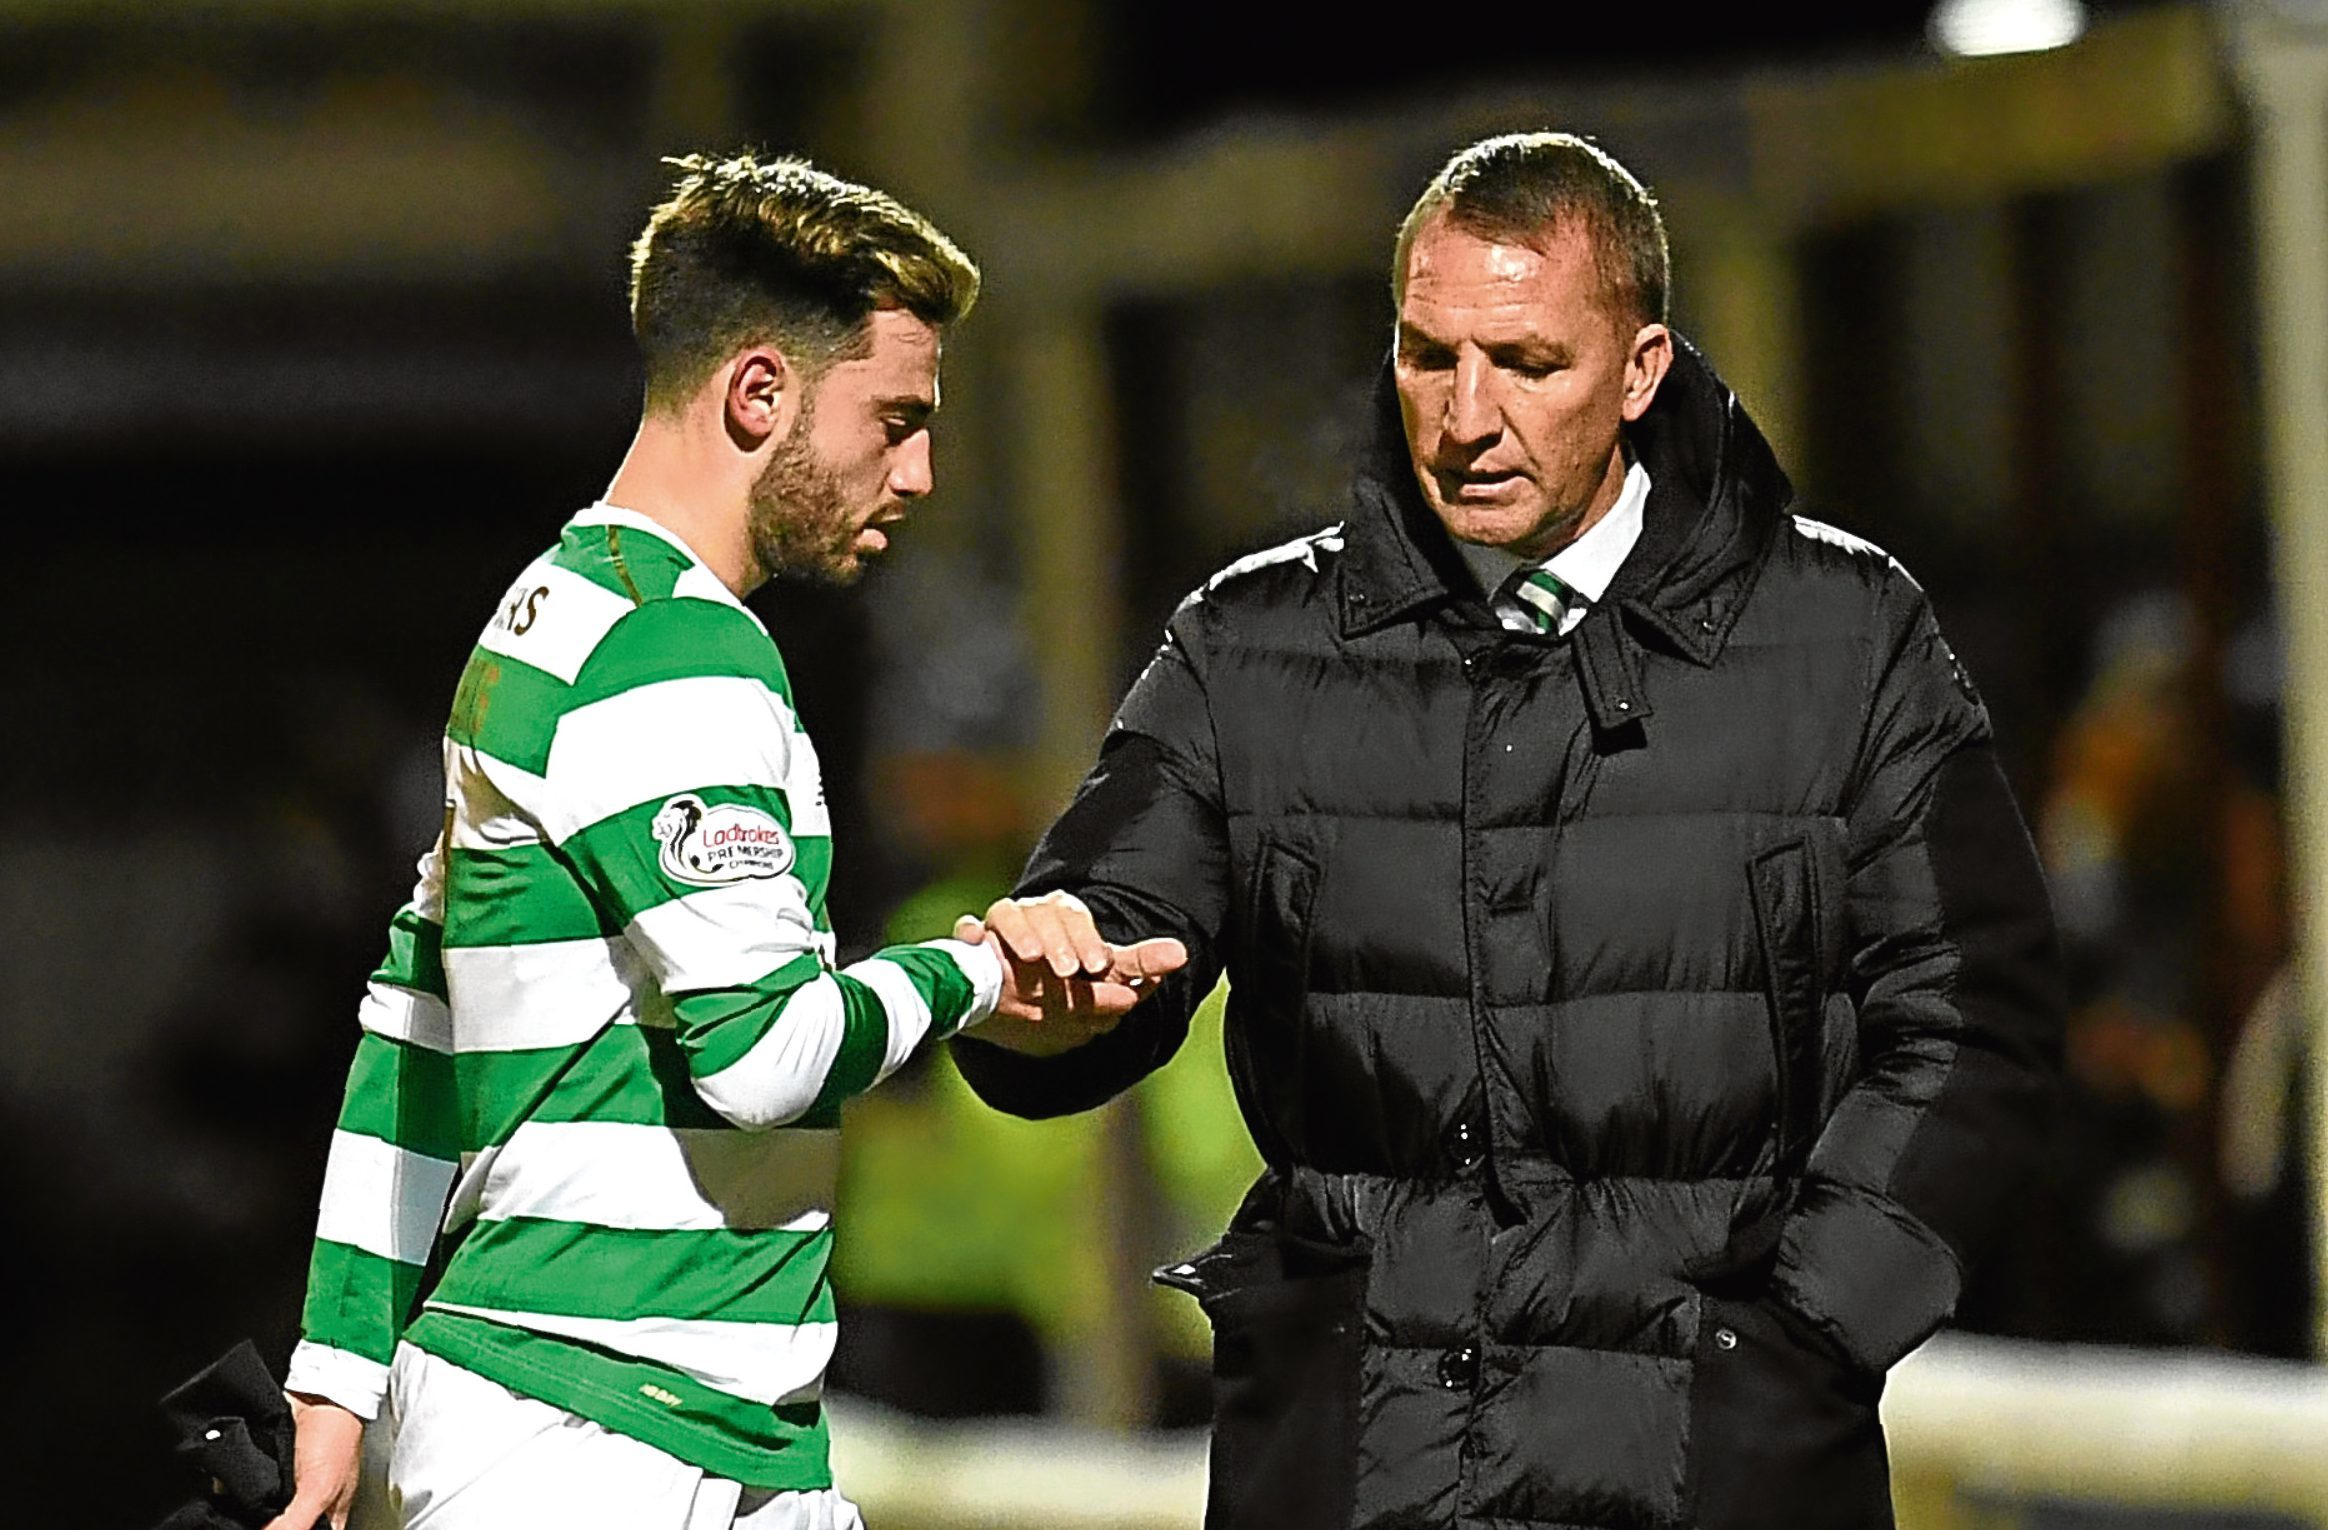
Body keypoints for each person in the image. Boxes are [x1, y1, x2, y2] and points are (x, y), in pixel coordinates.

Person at [952, 132, 2064, 1530]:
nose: (1465, 414)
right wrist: (1037, 1002)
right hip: (1355, 1473)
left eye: (1527, 364)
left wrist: (1804, 1334)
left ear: (1643, 368)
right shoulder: (1248, 646)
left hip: (1720, 1474)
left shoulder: (1847, 635)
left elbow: (1979, 1019)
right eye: (1429, 355)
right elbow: (1094, 938)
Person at [262, 152, 1183, 1530]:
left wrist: (336, 1376)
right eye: (897, 418)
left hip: (668, 1429)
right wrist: (979, 972)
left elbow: (414, 1028)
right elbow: (761, 1057)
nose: (922, 471)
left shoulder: (550, 616)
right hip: (600, 1442)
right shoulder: (675, 657)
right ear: (760, 393)